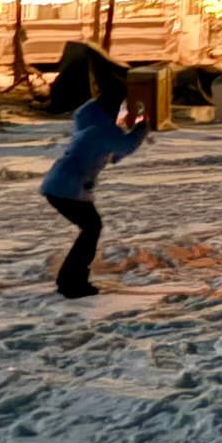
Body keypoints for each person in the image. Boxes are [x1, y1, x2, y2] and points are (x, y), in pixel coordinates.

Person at [39, 86, 149, 298]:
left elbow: (114, 152)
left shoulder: (90, 122)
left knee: (90, 229)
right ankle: (71, 282)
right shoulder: (104, 129)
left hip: (61, 184)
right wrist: (142, 126)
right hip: (68, 187)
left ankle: (72, 280)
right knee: (91, 229)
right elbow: (126, 146)